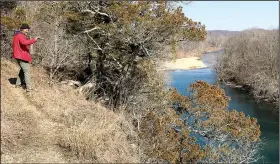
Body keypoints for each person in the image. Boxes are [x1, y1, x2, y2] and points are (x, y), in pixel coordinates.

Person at [13, 23, 40, 92]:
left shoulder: (17, 35)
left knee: (22, 70)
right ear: (23, 29)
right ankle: (29, 88)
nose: (28, 30)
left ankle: (18, 84)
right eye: (27, 29)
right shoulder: (20, 35)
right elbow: (24, 43)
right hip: (21, 56)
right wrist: (34, 40)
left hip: (19, 56)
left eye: (28, 29)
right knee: (27, 71)